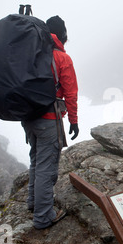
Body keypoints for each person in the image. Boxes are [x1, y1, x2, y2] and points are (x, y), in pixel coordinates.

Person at [22, 15, 79, 229]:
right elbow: (71, 94)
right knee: (47, 167)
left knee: (36, 160)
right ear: (62, 36)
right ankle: (43, 217)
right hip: (48, 119)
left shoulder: (32, 53)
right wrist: (73, 120)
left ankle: (33, 202)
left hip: (28, 117)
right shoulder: (62, 58)